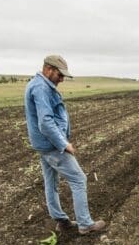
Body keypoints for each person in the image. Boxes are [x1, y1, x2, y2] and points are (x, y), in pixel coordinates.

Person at [24, 55, 106, 235]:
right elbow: (45, 122)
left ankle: (62, 221)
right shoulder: (41, 88)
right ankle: (85, 224)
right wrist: (63, 144)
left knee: (51, 182)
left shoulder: (39, 85)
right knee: (79, 179)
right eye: (59, 75)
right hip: (52, 145)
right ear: (48, 69)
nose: (62, 79)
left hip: (44, 145)